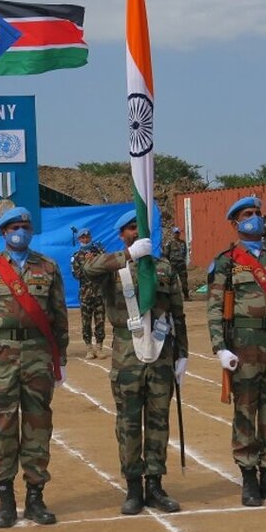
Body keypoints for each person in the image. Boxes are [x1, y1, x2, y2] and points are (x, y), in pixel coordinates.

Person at [0, 206, 69, 528]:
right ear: (4, 233)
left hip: (37, 355)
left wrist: (59, 360)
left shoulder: (48, 268)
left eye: (24, 226)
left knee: (38, 425)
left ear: (31, 231)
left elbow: (59, 317)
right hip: (0, 356)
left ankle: (35, 498)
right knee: (3, 426)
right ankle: (6, 499)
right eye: (13, 227)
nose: (19, 231)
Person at [82, 210, 187, 514]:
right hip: (127, 353)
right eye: (130, 229)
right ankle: (132, 488)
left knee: (158, 421)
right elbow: (87, 270)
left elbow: (177, 314)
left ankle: (154, 484)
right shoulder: (113, 267)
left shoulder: (164, 269)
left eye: (139, 228)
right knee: (128, 423)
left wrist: (183, 354)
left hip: (162, 353)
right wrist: (127, 255)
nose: (136, 232)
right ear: (121, 234)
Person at [207, 196, 266, 507]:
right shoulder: (227, 260)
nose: (255, 218)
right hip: (244, 342)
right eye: (248, 214)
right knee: (246, 409)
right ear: (236, 223)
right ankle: (248, 477)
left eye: (258, 213)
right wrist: (220, 347)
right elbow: (215, 307)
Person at [70, 227, 107, 359]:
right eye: (82, 237)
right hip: (85, 294)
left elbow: (105, 268)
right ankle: (89, 349)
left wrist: (94, 261)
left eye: (87, 237)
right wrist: (87, 263)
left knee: (100, 321)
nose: (85, 239)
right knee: (86, 322)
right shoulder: (76, 257)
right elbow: (76, 274)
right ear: (79, 239)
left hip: (99, 293)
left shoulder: (99, 252)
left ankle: (99, 347)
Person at [167, 227, 190, 301]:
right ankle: (173, 298)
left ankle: (186, 296)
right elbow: (166, 253)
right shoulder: (170, 243)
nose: (177, 234)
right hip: (173, 264)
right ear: (173, 234)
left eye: (178, 233)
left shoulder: (183, 243)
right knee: (172, 282)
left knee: (184, 282)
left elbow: (185, 253)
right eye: (175, 233)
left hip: (181, 265)